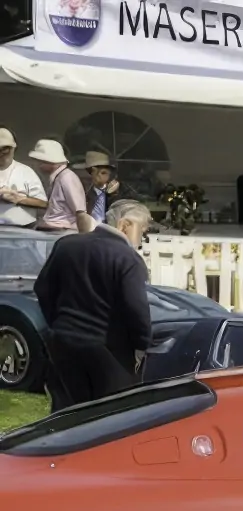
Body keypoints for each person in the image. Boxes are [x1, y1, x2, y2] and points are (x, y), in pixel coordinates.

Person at [33, 198, 152, 409]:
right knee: (110, 418)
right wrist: (141, 346)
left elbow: (42, 289)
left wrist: (58, 323)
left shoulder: (66, 245)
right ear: (124, 225)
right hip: (109, 350)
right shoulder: (127, 258)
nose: (141, 240)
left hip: (63, 342)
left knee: (66, 414)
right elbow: (136, 310)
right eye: (141, 231)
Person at [27, 139, 91, 234]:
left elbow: (80, 212)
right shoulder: (57, 178)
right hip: (53, 231)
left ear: (50, 161)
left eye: (40, 161)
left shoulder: (67, 178)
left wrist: (84, 237)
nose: (38, 165)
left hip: (64, 231)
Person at [0, 129, 46, 228]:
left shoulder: (25, 172)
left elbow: (43, 203)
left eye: (5, 149)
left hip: (22, 229)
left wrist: (18, 199)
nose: (1, 153)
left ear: (13, 148)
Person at [81, 151, 118, 225]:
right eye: (103, 173)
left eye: (107, 173)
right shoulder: (86, 193)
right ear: (92, 173)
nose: (106, 176)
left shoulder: (114, 192)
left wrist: (113, 195)